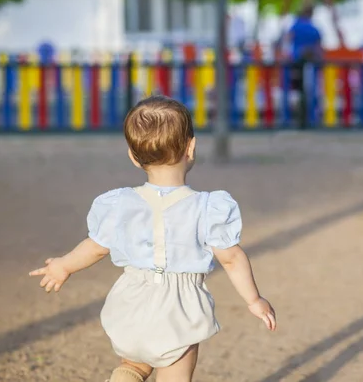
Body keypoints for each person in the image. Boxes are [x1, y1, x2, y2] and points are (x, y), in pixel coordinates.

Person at [29, 95, 277, 382]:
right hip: (178, 311)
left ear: (133, 157)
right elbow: (232, 258)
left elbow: (96, 247)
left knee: (133, 367)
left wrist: (64, 265)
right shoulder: (208, 207)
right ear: (191, 148)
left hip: (132, 301)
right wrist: (254, 299)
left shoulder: (119, 203)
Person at [286, 5, 322, 129]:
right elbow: (319, 45)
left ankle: (291, 117)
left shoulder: (295, 26)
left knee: (294, 90)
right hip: (311, 62)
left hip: (295, 61)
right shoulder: (314, 28)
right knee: (310, 90)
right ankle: (311, 117)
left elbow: (287, 39)